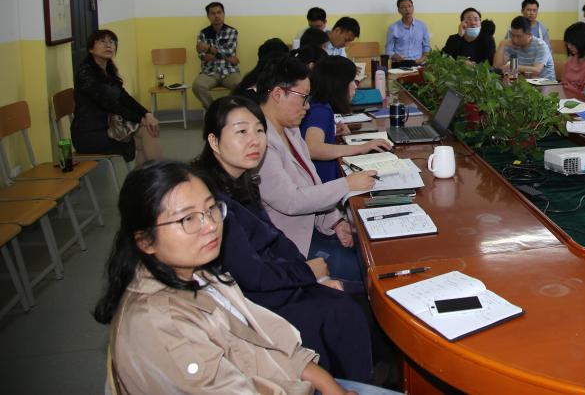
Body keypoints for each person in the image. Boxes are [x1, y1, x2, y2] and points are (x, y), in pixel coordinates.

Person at [92, 161, 365, 395]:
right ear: (145, 241)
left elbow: (268, 341)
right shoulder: (162, 326)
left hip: (285, 381)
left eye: (211, 209)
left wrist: (330, 386)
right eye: (188, 219)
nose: (211, 226)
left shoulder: (203, 274)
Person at [195, 96, 374, 382]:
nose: (254, 141)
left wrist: (309, 274)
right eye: (241, 132)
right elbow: (250, 275)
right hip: (250, 306)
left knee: (360, 295)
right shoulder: (210, 200)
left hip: (276, 281)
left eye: (259, 130)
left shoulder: (241, 181)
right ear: (214, 141)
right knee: (352, 305)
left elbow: (275, 239)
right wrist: (308, 275)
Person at [257, 57, 376, 283]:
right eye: (303, 97)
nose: (308, 106)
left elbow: (312, 183)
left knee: (369, 252)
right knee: (366, 272)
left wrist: (335, 222)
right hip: (291, 246)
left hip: (313, 229)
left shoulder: (289, 130)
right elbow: (292, 201)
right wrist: (347, 184)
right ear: (278, 94)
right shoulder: (260, 142)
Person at [71, 30, 162, 163]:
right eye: (102, 41)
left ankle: (149, 175)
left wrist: (146, 114)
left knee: (149, 132)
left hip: (109, 126)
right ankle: (158, 174)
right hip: (90, 134)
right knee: (147, 135)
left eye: (111, 42)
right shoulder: (85, 74)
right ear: (91, 49)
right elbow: (110, 104)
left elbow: (124, 97)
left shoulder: (108, 70)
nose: (108, 45)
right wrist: (140, 119)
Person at [301, 56, 393, 183]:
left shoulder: (320, 105)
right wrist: (362, 148)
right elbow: (312, 149)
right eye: (352, 81)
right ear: (338, 84)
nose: (355, 86)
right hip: (325, 186)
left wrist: (332, 131)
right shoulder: (321, 110)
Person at [193, 1, 242, 109]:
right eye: (213, 13)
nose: (216, 16)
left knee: (240, 85)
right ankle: (214, 110)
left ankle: (226, 108)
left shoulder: (232, 31)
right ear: (208, 16)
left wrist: (208, 48)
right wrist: (227, 57)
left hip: (229, 71)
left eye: (219, 12)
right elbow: (203, 56)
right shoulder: (203, 33)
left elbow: (229, 50)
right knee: (197, 86)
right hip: (210, 71)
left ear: (223, 14)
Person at [503, 15, 555, 79]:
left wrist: (513, 66)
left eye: (519, 36)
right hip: (525, 82)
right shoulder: (512, 44)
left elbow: (537, 70)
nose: (515, 40)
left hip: (546, 83)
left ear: (529, 35)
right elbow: (499, 66)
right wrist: (501, 45)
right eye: (512, 35)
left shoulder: (540, 45)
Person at [384, 0, 430, 66]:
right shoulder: (393, 28)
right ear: (399, 10)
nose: (407, 9)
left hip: (418, 63)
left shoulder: (422, 26)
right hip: (400, 63)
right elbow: (388, 50)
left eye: (409, 6)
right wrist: (395, 56)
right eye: (403, 7)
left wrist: (421, 59)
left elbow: (426, 47)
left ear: (413, 8)